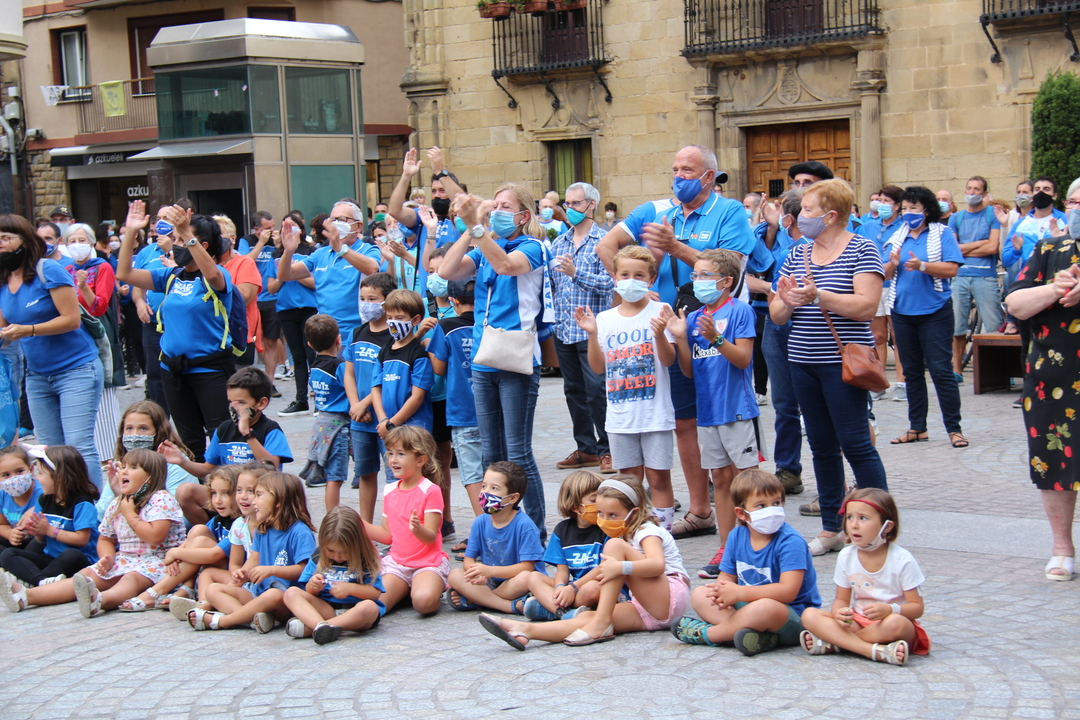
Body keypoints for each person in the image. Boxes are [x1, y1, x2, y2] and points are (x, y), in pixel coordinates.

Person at [596, 146, 755, 540]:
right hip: (670, 330)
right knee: (684, 422)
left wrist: (674, 247)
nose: (678, 175)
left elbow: (731, 269)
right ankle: (700, 510)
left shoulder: (730, 212)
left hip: (715, 327)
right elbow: (606, 246)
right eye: (675, 169)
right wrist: (633, 289)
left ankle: (743, 511)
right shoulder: (653, 211)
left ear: (708, 176)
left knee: (724, 418)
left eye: (687, 169)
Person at [770, 178, 888, 556]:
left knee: (855, 444)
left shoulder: (862, 249)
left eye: (807, 210)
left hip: (842, 363)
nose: (799, 216)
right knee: (820, 445)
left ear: (831, 215)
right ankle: (831, 528)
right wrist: (787, 301)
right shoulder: (797, 253)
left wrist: (819, 295)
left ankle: (878, 523)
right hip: (802, 360)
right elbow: (777, 314)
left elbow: (867, 306)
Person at [440, 186, 553, 536]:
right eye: (496, 205)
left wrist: (478, 228)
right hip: (484, 358)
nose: (498, 211)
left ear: (524, 216)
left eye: (506, 206)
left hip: (517, 358)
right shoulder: (486, 243)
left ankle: (535, 530)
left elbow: (505, 266)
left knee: (517, 452)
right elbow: (447, 271)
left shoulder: (533, 247)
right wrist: (468, 226)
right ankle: (499, 526)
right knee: (491, 454)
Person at [477, 475, 689, 649]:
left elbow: (657, 565)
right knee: (586, 619)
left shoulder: (647, 531)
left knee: (613, 547)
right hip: (646, 609)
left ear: (634, 512)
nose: (605, 520)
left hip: (669, 597)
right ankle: (524, 631)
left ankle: (601, 624)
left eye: (613, 514)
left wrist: (620, 567)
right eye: (601, 514)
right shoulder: (622, 533)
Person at [0, 449, 185, 616]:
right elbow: (106, 538)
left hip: (159, 562)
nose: (124, 471)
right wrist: (107, 558)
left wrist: (130, 514)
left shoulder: (160, 499)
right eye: (123, 467)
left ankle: (100, 600)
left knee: (131, 579)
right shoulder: (118, 503)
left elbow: (155, 537)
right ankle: (28, 596)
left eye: (133, 468)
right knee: (86, 575)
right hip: (125, 559)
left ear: (150, 478)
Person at [117, 201, 235, 463]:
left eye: (181, 239)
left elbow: (213, 276)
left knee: (222, 438)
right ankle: (199, 487)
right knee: (190, 442)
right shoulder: (170, 276)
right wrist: (131, 232)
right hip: (174, 371)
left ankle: (224, 486)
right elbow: (124, 273)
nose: (176, 244)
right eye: (177, 239)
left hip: (210, 370)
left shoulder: (218, 275)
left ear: (202, 245)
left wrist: (187, 234)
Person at [1004, 187, 1080, 581]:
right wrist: (1054, 288)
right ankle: (1062, 547)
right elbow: (1015, 304)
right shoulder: (1050, 249)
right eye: (1076, 202)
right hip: (1054, 379)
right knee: (1054, 460)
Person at [668, 249, 759, 577]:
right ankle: (726, 547)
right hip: (707, 412)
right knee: (719, 478)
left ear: (726, 281)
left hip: (736, 409)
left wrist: (716, 338)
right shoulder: (693, 318)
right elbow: (689, 371)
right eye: (695, 275)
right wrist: (681, 339)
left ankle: (754, 545)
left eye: (705, 275)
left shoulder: (740, 311)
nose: (698, 281)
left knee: (746, 480)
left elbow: (743, 359)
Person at [575, 245, 676, 530]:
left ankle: (663, 533)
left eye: (639, 275)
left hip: (655, 414)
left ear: (651, 279)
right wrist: (592, 334)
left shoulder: (661, 311)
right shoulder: (605, 319)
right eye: (625, 274)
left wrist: (660, 336)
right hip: (621, 418)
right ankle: (633, 532)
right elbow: (598, 367)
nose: (631, 280)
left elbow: (668, 360)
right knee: (629, 481)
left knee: (658, 478)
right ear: (615, 277)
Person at [0, 214, 104, 487]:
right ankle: (61, 504)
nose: (0, 244)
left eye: (6, 238)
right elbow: (3, 329)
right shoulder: (3, 280)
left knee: (78, 447)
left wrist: (28, 330)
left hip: (76, 369)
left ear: (25, 241)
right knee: (48, 450)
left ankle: (89, 507)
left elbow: (71, 319)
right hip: (37, 375)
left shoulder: (48, 269)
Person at [671, 469, 820, 655]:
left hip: (790, 615)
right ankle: (755, 635)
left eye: (776, 503)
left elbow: (788, 592)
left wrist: (740, 592)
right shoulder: (736, 535)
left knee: (764, 608)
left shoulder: (791, 542)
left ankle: (711, 634)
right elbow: (727, 576)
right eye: (761, 505)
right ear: (741, 513)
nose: (771, 510)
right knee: (700, 594)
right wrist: (721, 592)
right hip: (748, 606)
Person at [800, 488, 929, 665]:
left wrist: (890, 609)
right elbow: (841, 600)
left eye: (863, 518)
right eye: (849, 517)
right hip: (858, 621)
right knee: (809, 615)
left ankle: (839, 643)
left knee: (896, 623)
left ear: (887, 526)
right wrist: (839, 613)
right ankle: (873, 651)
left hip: (890, 624)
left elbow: (917, 608)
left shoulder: (902, 559)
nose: (854, 525)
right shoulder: (846, 556)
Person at [883, 185, 966, 448]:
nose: (908, 213)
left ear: (926, 210)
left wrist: (923, 266)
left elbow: (952, 269)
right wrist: (892, 264)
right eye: (904, 208)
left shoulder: (942, 233)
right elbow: (882, 275)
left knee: (941, 371)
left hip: (935, 311)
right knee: (911, 372)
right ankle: (917, 427)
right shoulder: (897, 236)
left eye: (913, 208)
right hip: (902, 311)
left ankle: (954, 428)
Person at [188, 471, 314, 632]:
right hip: (258, 592)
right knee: (213, 589)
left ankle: (223, 621)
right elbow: (254, 559)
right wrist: (242, 574)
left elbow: (304, 570)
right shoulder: (263, 528)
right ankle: (251, 619)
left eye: (258, 495)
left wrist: (272, 570)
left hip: (285, 599)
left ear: (278, 501)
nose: (254, 501)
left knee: (273, 595)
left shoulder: (300, 532)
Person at [550, 182, 614, 474]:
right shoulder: (559, 243)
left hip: (592, 331)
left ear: (591, 205)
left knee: (597, 390)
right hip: (564, 329)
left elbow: (610, 284)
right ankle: (586, 447)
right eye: (567, 204)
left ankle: (608, 449)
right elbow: (553, 286)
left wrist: (577, 273)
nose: (570, 209)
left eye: (576, 203)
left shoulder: (605, 241)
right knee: (573, 390)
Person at [117, 465, 239, 612]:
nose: (218, 500)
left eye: (225, 494)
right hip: (215, 570)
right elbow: (191, 540)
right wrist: (175, 556)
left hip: (234, 575)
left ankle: (157, 591)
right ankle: (187, 589)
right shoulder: (218, 520)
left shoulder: (240, 524)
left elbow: (215, 554)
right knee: (198, 530)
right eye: (214, 493)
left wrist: (176, 553)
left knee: (201, 542)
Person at [362, 426, 448, 615]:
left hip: (427, 562)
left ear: (420, 460)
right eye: (390, 453)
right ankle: (405, 590)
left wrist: (418, 529)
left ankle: (428, 587)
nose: (393, 460)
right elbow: (387, 536)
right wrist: (360, 525)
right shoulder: (389, 490)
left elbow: (431, 538)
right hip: (398, 563)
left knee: (423, 603)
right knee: (377, 603)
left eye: (401, 454)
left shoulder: (431, 490)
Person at [168, 462, 270, 620]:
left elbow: (215, 555)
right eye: (239, 490)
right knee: (206, 571)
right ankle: (203, 603)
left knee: (201, 545)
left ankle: (211, 608)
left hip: (263, 582)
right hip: (243, 580)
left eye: (251, 491)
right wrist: (236, 574)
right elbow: (235, 564)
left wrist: (175, 553)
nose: (243, 496)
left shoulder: (267, 527)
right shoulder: (239, 524)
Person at [61, 222, 125, 468]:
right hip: (74, 336)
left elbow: (99, 306)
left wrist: (82, 287)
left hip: (98, 332)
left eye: (81, 240)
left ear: (91, 242)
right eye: (72, 241)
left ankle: (108, 453)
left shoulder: (102, 267)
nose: (77, 245)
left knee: (103, 389)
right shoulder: (65, 269)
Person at [758, 190, 808, 495]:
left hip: (810, 327)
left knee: (817, 404)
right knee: (784, 403)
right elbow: (754, 264)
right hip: (776, 326)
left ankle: (836, 477)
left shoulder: (819, 244)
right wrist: (771, 228)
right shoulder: (774, 237)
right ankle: (788, 469)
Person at [160, 367, 293, 483]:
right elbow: (207, 469)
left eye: (241, 403)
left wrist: (247, 434)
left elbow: (271, 468)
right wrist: (182, 461)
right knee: (187, 491)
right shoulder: (224, 429)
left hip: (257, 491)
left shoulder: (270, 430)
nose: (234, 408)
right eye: (231, 402)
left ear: (261, 403)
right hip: (229, 490)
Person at [277, 201, 382, 345]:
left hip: (356, 336)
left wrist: (341, 249)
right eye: (333, 220)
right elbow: (285, 275)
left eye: (342, 220)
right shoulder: (321, 253)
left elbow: (372, 269)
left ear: (358, 226)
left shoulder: (368, 249)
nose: (336, 224)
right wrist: (288, 251)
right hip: (325, 337)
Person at [445, 460, 544, 612]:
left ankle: (477, 599)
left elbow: (527, 567)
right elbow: (469, 559)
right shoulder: (480, 522)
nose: (486, 493)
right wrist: (476, 573)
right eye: (484, 486)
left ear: (512, 498)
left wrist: (491, 571)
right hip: (488, 580)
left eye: (494, 488)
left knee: (526, 577)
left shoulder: (525, 525)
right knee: (455, 575)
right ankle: (506, 605)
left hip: (515, 581)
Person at [282, 505, 386, 644]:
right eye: (331, 551)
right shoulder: (318, 557)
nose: (337, 557)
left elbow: (375, 593)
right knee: (291, 593)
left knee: (369, 607)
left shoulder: (366, 559)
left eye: (345, 552)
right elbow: (307, 590)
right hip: (326, 608)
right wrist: (313, 586)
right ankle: (322, 626)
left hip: (355, 611)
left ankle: (318, 627)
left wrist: (351, 589)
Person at [0, 445, 99, 588]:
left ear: (58, 477)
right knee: (8, 554)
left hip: (78, 561)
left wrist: (49, 530)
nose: (37, 478)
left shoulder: (82, 502)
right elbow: (40, 541)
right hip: (50, 557)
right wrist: (38, 532)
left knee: (72, 555)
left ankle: (32, 582)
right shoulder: (45, 499)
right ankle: (40, 582)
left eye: (41, 473)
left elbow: (82, 539)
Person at [428, 278, 484, 519]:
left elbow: (438, 369)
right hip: (492, 411)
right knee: (495, 471)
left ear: (453, 301)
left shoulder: (446, 326)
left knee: (473, 475)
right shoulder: (487, 323)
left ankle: (484, 526)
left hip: (463, 413)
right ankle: (500, 523)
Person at [521, 469, 607, 621]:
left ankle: (553, 609)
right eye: (594, 500)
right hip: (574, 587)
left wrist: (573, 588)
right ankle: (566, 614)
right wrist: (559, 587)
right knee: (533, 577)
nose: (600, 504)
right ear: (575, 506)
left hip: (596, 584)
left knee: (592, 588)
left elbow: (603, 569)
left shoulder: (606, 529)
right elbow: (562, 571)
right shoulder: (562, 530)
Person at [344, 272, 396, 518]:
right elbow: (349, 373)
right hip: (360, 419)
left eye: (372, 299)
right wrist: (355, 404)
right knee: (365, 473)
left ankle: (392, 525)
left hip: (385, 416)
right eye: (363, 299)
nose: (366, 304)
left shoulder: (394, 336)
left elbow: (388, 377)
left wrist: (365, 404)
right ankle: (366, 525)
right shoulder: (356, 333)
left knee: (394, 476)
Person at [99, 400, 199, 522]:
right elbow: (99, 514)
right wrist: (118, 496)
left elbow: (179, 516)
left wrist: (129, 504)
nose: (134, 435)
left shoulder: (174, 464)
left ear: (158, 432)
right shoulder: (121, 465)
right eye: (129, 428)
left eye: (143, 428)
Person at [950, 176, 1003, 377]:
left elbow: (992, 247)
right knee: (957, 326)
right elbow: (953, 250)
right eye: (969, 188)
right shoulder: (956, 218)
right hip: (960, 277)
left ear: (984, 193)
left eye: (977, 189)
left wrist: (965, 248)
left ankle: (998, 371)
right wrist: (980, 243)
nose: (972, 193)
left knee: (993, 324)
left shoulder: (992, 215)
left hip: (985, 277)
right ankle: (956, 370)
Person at [859, 186, 907, 402]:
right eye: (880, 199)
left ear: (897, 206)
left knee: (898, 336)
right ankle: (878, 381)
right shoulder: (867, 226)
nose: (881, 204)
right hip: (873, 285)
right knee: (877, 336)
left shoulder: (904, 227)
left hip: (895, 284)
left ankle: (902, 382)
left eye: (887, 201)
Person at [299, 314, 351, 510]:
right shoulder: (339, 367)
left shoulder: (314, 367)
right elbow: (350, 387)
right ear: (339, 339)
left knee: (331, 475)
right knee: (335, 478)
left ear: (310, 344)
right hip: (338, 426)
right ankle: (333, 517)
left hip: (322, 421)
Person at [130, 206, 177, 411]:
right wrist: (140, 302)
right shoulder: (146, 252)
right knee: (155, 374)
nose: (161, 222)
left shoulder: (187, 247)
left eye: (167, 217)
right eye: (159, 218)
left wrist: (171, 250)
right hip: (154, 323)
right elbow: (137, 285)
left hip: (179, 324)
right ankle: (160, 419)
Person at [371, 289, 435, 439]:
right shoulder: (384, 351)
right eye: (389, 317)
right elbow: (376, 388)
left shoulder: (418, 354)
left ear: (415, 320)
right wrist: (383, 420)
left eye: (399, 318)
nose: (393, 322)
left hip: (414, 430)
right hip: (387, 428)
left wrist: (392, 424)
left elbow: (417, 397)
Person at [275, 213, 319, 417]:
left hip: (308, 308)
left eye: (293, 224)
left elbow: (315, 282)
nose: (289, 228)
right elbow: (273, 285)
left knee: (312, 354)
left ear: (301, 228)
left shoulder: (311, 251)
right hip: (286, 309)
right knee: (297, 357)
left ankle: (320, 398)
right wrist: (286, 271)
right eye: (285, 225)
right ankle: (301, 400)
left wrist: (293, 273)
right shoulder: (277, 254)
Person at [214, 215, 263, 370]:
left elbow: (244, 297)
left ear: (232, 238)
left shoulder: (244, 262)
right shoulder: (205, 265)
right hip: (211, 339)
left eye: (219, 234)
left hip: (238, 339)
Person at [245, 212, 286, 396]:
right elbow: (246, 262)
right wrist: (261, 243)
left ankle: (269, 382)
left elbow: (283, 264)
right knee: (252, 340)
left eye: (273, 227)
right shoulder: (247, 241)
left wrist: (278, 246)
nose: (271, 231)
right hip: (252, 298)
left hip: (271, 298)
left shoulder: (276, 243)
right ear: (257, 229)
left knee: (271, 340)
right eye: (267, 228)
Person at [0, 444, 43, 552]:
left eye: (19, 471)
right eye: (6, 475)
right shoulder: (2, 496)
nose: (14, 478)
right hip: (17, 541)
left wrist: (36, 508)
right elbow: (2, 524)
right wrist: (10, 533)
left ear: (31, 469)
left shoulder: (44, 491)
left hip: (39, 541)